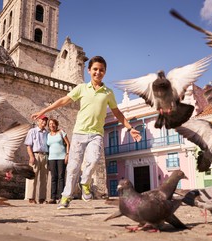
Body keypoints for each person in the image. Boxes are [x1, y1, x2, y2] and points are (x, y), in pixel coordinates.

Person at [31, 56, 141, 209]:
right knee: (73, 167)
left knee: (94, 159)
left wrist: (130, 128)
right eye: (95, 69)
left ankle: (85, 182)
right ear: (89, 70)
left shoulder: (108, 93)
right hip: (79, 133)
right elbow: (63, 100)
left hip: (96, 134)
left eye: (101, 70)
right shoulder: (82, 88)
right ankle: (65, 197)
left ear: (105, 72)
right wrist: (44, 110)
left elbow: (117, 113)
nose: (98, 72)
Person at [24, 114, 49, 204]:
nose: (44, 122)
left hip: (45, 156)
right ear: (38, 121)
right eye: (42, 120)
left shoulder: (47, 133)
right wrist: (31, 156)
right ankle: (31, 197)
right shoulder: (32, 131)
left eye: (45, 120)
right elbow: (28, 145)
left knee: (44, 178)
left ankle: (42, 198)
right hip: (35, 155)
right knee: (32, 176)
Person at [46, 118, 70, 204]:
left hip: (61, 157)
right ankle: (53, 198)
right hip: (51, 158)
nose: (51, 125)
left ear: (56, 124)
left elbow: (68, 143)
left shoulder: (61, 132)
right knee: (53, 177)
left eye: (53, 124)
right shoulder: (48, 135)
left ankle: (61, 197)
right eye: (50, 124)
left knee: (61, 177)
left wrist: (67, 154)